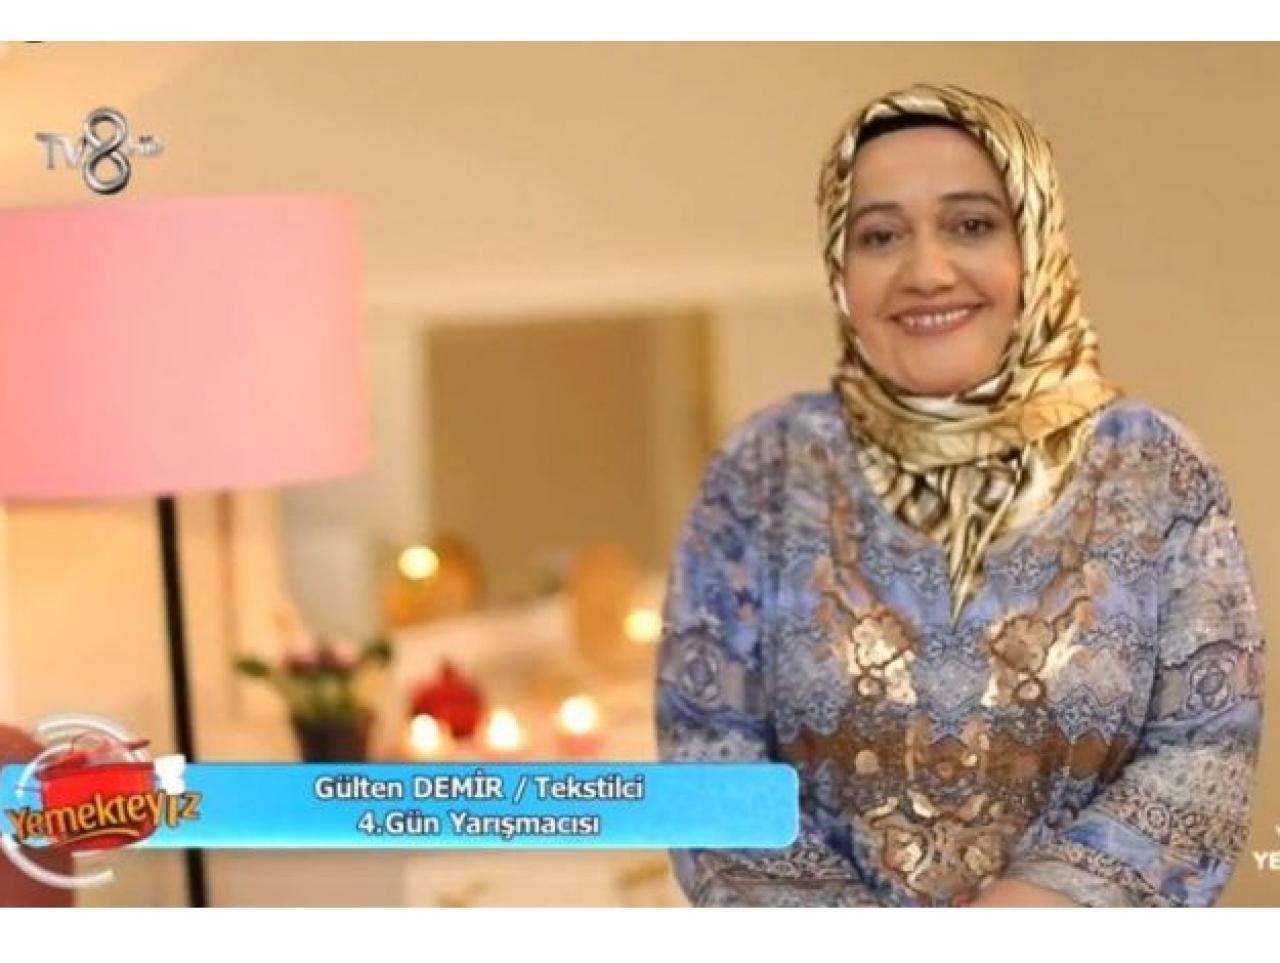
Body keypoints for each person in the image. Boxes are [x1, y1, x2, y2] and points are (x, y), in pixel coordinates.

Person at [654, 82, 1266, 908]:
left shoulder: (1156, 466)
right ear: (839, 265)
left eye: (971, 225)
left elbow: (1204, 754)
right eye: (880, 236)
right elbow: (705, 767)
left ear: (1036, 244)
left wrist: (1033, 914)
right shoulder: (762, 471)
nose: (926, 272)